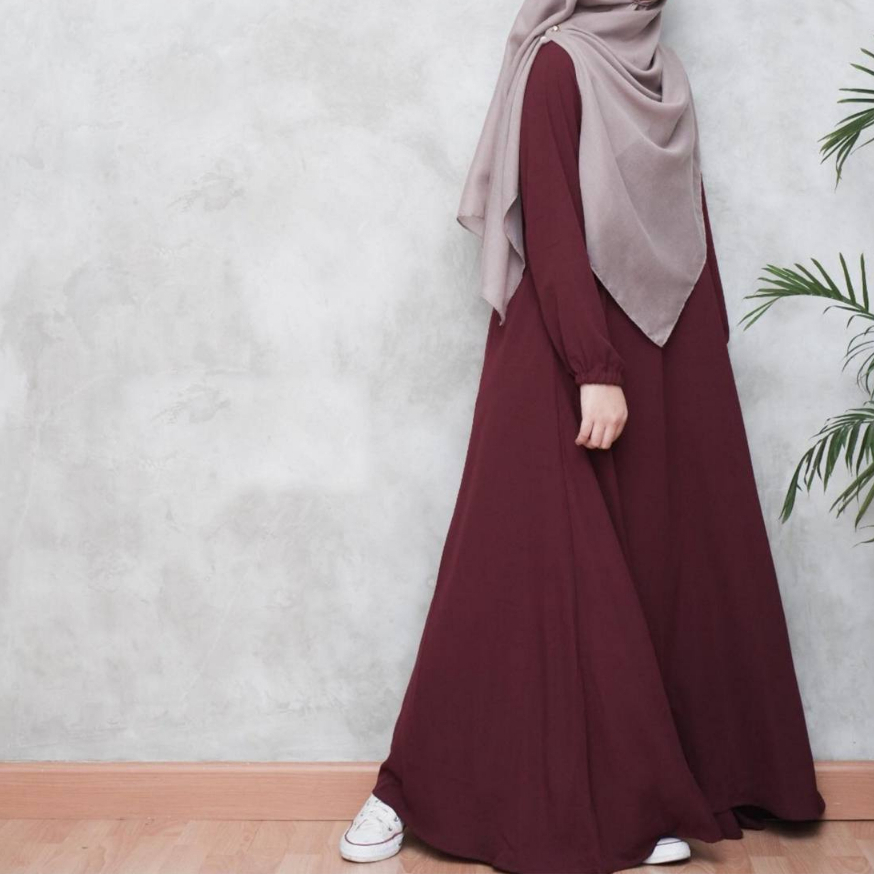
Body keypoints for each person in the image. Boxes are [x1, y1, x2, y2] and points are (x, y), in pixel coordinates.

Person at [340, 1, 826, 872]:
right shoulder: (557, 65)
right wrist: (593, 366)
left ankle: (653, 792)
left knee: (664, 565)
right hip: (568, 345)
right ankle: (409, 792)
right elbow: (555, 224)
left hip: (667, 343)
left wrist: (703, 359)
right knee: (515, 565)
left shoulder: (665, 77)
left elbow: (689, 225)